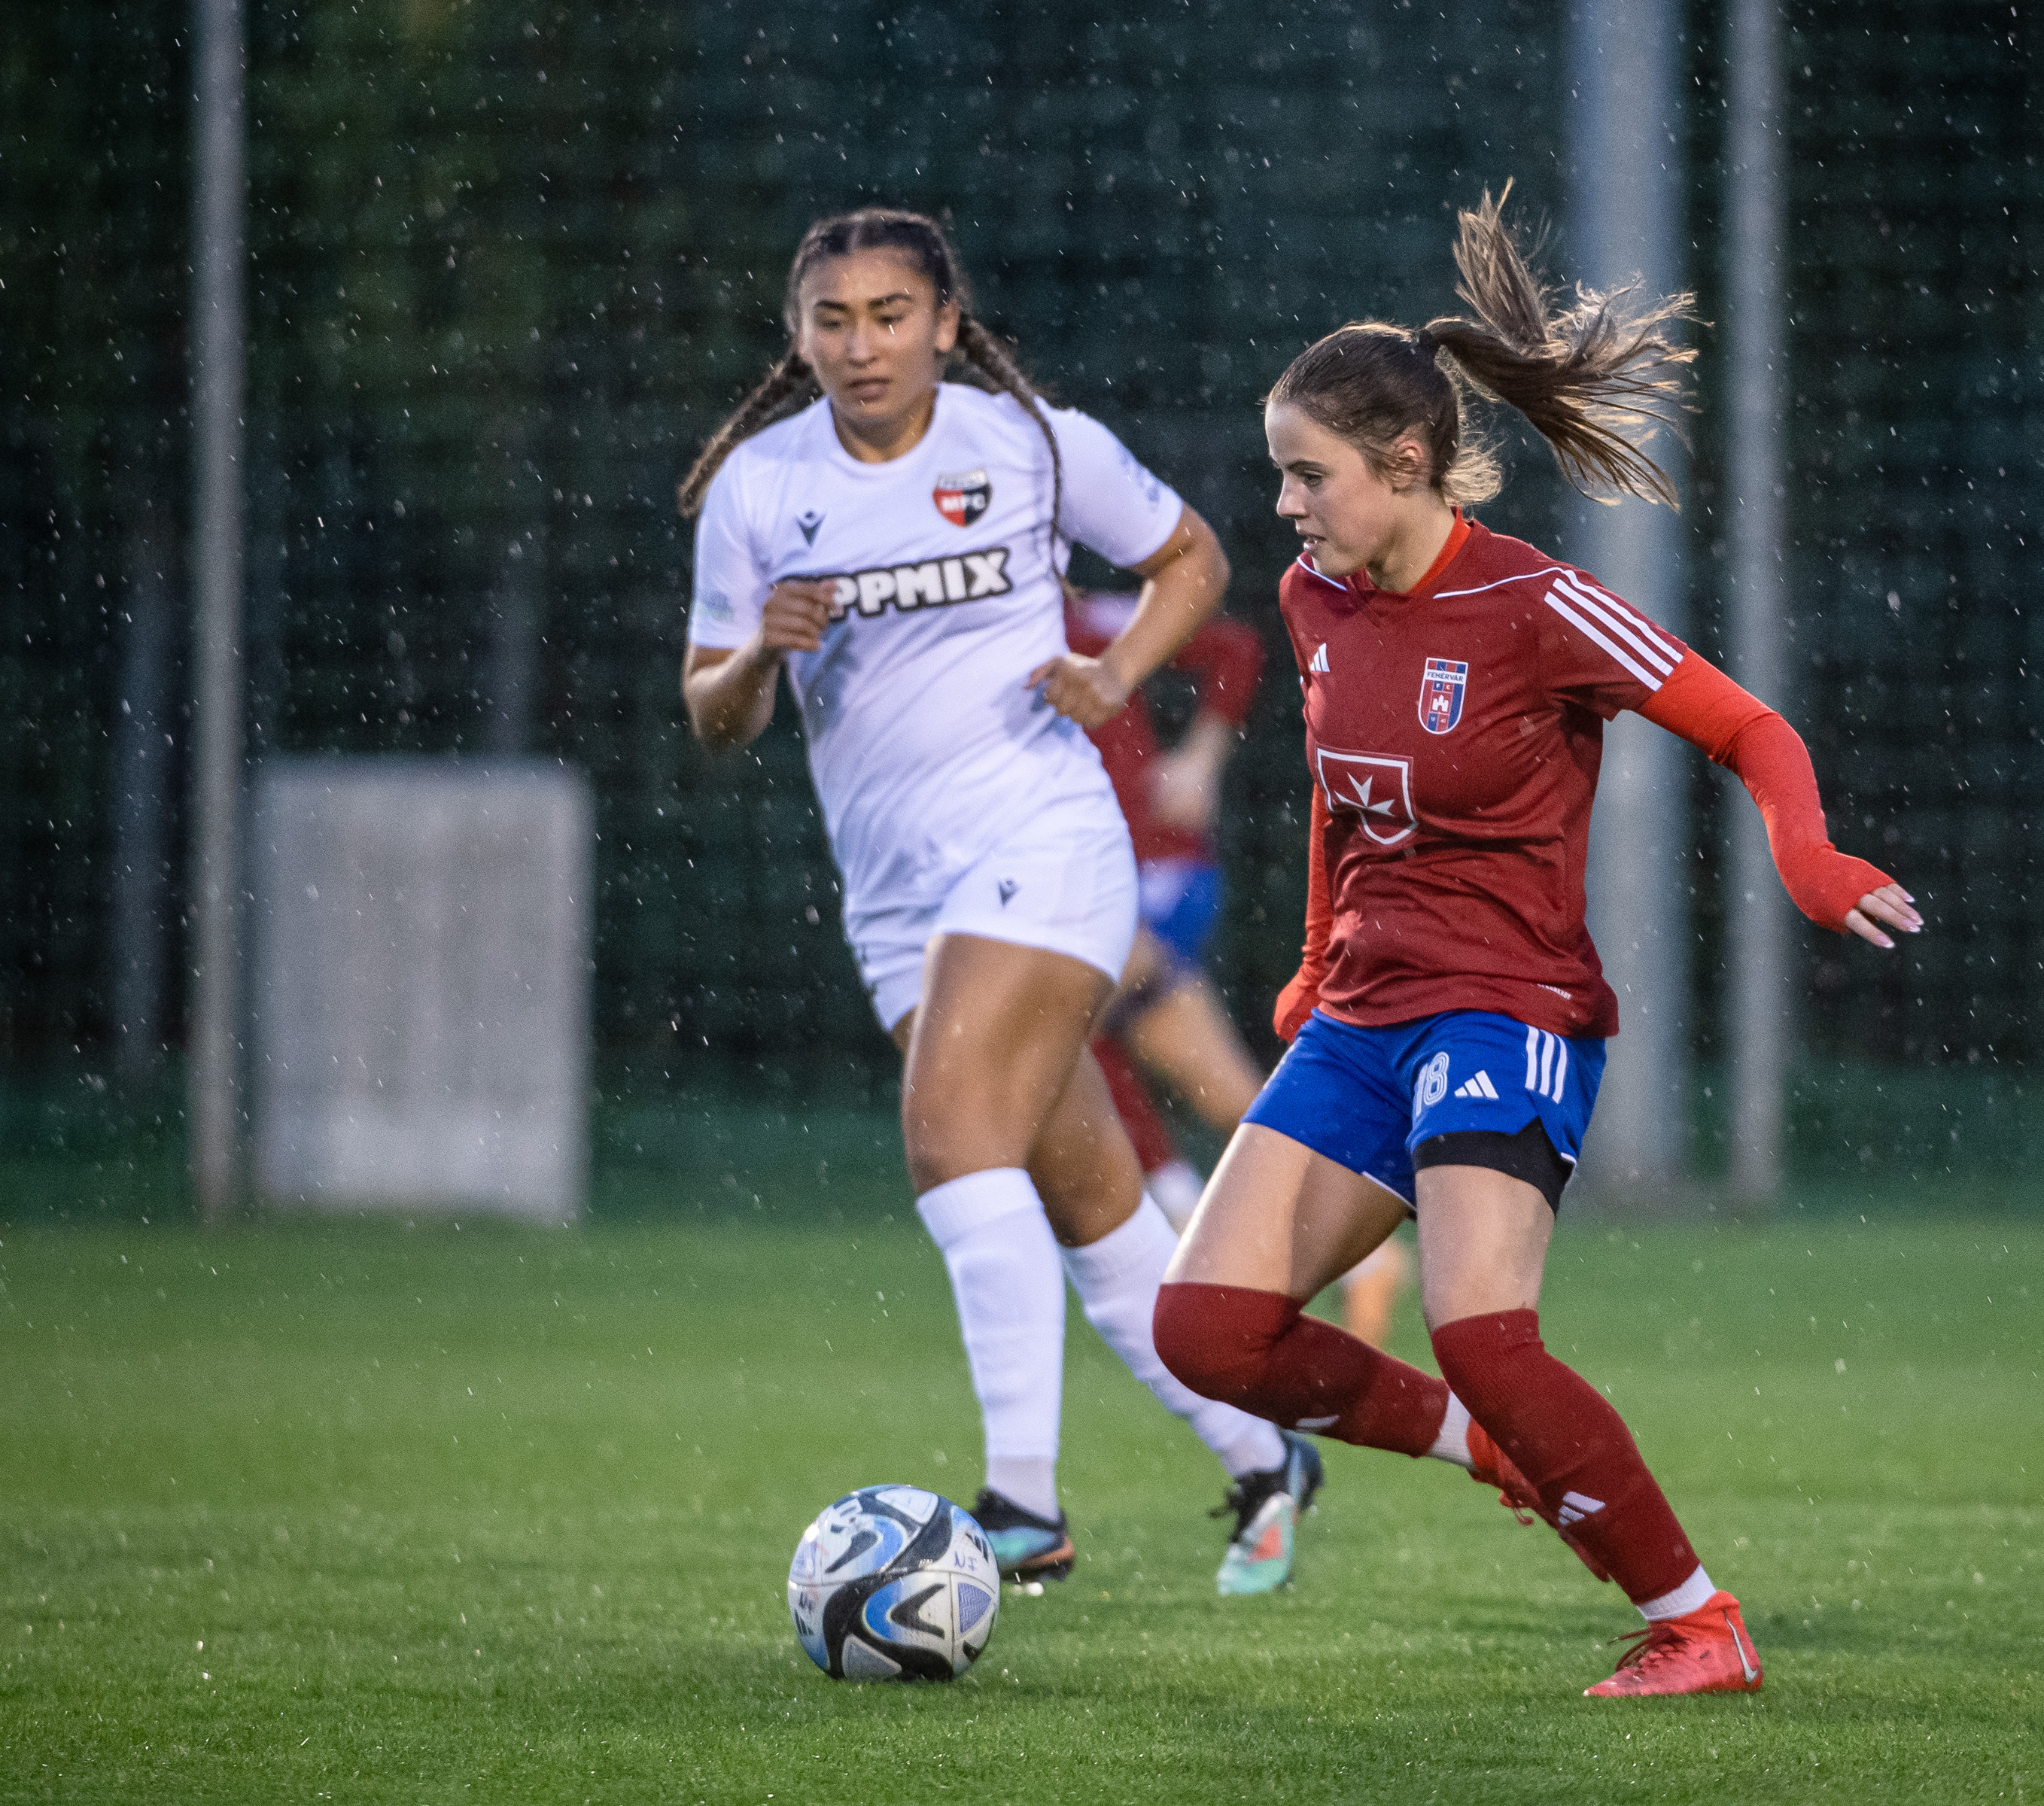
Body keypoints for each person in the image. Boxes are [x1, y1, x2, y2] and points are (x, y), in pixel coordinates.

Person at [1151, 189, 1922, 1695]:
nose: (1287, 507)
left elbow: (1747, 726)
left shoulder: (1538, 602)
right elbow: (1338, 800)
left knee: (1486, 1331)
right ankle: (1485, 1444)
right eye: (1280, 475)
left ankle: (1698, 1624)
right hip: (1365, 1014)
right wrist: (1313, 957)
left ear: (1405, 462)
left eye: (1308, 475)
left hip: (1506, 1006)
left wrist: (1811, 857)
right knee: (1210, 1330)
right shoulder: (1315, 600)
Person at [677, 206, 1321, 1598]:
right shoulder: (758, 490)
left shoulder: (1028, 444)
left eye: (891, 315)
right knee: (1084, 1194)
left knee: (951, 1138)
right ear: (799, 337)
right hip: (894, 897)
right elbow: (714, 717)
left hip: (1043, 842)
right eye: (833, 320)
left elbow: (1195, 562)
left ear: (946, 327)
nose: (863, 345)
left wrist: (1115, 676)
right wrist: (757, 660)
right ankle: (1263, 1451)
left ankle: (1021, 1505)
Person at [1069, 588, 1414, 1345]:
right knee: (1220, 1090)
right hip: (1095, 877)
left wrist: (1200, 759)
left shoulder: (1089, 619)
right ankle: (1363, 1254)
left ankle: (1182, 1216)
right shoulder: (1003, 629)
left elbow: (1235, 647)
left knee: (1057, 1028)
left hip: (1151, 870)